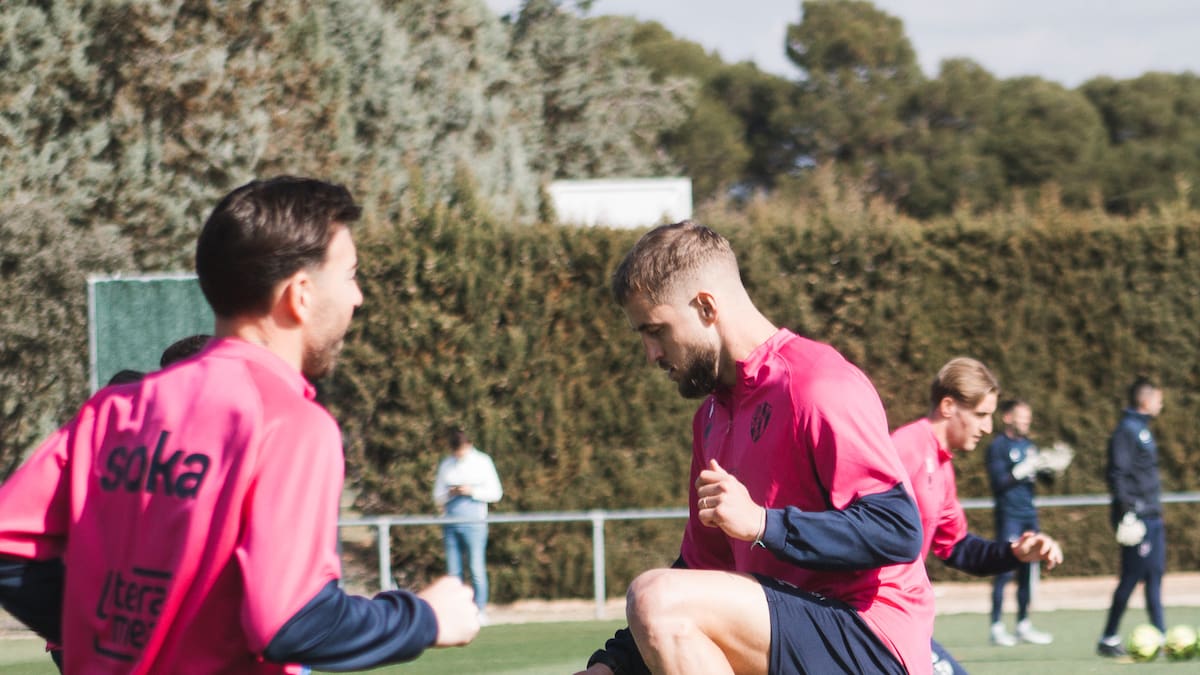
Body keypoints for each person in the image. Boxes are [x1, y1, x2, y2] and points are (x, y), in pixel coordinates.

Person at [0, 176, 480, 673]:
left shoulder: (113, 412)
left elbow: (7, 548)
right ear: (301, 294)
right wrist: (424, 618)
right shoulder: (292, 425)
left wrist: (99, 628)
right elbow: (293, 621)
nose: (357, 296)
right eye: (350, 275)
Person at [577, 221, 935, 675]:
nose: (651, 353)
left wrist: (764, 523)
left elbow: (898, 529)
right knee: (658, 606)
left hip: (872, 641)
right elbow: (701, 567)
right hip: (793, 640)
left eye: (656, 330)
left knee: (655, 599)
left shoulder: (818, 384)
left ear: (706, 306)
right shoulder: (711, 417)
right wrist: (613, 665)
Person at [891, 358, 1063, 675]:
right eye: (981, 415)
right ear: (948, 406)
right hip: (874, 619)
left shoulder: (942, 466)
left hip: (903, 619)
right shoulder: (905, 448)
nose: (987, 428)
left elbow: (958, 548)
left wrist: (1015, 552)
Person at [1097, 377, 1166, 658]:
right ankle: (1108, 636)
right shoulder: (1127, 430)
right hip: (1137, 517)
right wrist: (1127, 513)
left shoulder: (1143, 429)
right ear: (1146, 401)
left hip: (1152, 514)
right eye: (1159, 400)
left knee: (1154, 575)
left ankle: (1161, 635)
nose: (1161, 405)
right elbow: (1117, 473)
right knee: (1132, 576)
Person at [985, 399, 1055, 646]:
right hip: (1009, 516)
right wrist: (1020, 470)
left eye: (1028, 418)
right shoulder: (998, 446)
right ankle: (996, 626)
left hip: (1029, 516)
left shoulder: (1029, 446)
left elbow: (1045, 482)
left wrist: (1050, 468)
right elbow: (998, 483)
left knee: (1028, 572)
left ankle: (1023, 624)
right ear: (1008, 418)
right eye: (1021, 417)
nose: (1026, 422)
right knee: (1004, 570)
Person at [433, 427, 503, 622]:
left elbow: (496, 493)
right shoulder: (447, 464)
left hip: (475, 522)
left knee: (476, 568)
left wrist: (472, 491)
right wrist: (450, 493)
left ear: (469, 445)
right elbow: (437, 495)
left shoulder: (482, 462)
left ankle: (479, 609)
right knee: (454, 572)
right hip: (451, 522)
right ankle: (457, 612)